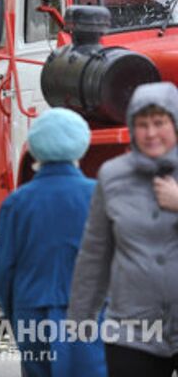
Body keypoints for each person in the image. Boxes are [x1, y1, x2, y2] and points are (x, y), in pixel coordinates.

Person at [68, 82, 178, 376]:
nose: (151, 133)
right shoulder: (113, 176)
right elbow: (95, 252)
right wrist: (80, 319)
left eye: (159, 122)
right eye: (142, 124)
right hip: (133, 330)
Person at [0, 108, 106, 377]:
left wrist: (15, 314)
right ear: (83, 145)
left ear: (33, 147)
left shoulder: (16, 204)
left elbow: (4, 271)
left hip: (31, 311)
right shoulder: (100, 197)